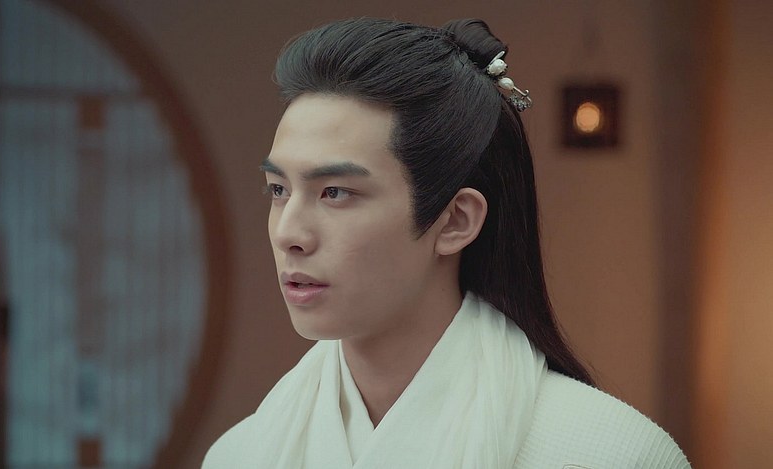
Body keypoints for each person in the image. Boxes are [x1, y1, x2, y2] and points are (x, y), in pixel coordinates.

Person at [203, 17, 689, 468]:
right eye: (278, 190)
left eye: (335, 192)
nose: (288, 233)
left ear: (455, 221)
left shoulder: (610, 453)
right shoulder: (241, 454)